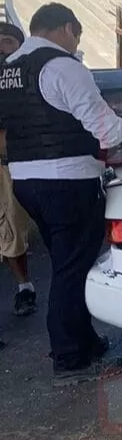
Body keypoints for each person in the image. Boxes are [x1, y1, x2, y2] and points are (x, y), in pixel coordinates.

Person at [0, 3, 122, 385]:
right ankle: (70, 358)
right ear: (67, 28)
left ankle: (84, 341)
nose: (76, 44)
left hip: (27, 181)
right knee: (72, 270)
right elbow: (105, 128)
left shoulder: (9, 70)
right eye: (77, 35)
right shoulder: (63, 67)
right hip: (67, 181)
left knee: (65, 263)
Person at [0, 23, 37, 319]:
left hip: (14, 165)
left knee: (13, 227)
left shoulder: (29, 77)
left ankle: (25, 287)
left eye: (7, 42)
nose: (1, 49)